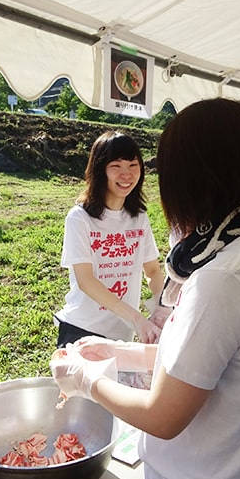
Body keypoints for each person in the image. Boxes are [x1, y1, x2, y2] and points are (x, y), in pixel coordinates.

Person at [50, 98, 240, 479]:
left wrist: (85, 377)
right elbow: (210, 359)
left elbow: (162, 416)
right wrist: (122, 352)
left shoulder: (225, 278)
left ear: (190, 178)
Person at [53, 130, 168, 347]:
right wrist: (136, 319)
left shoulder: (138, 217)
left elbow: (152, 271)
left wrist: (162, 308)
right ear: (99, 170)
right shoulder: (80, 218)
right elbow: (85, 281)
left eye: (133, 166)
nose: (127, 175)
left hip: (122, 335)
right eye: (116, 166)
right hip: (82, 331)